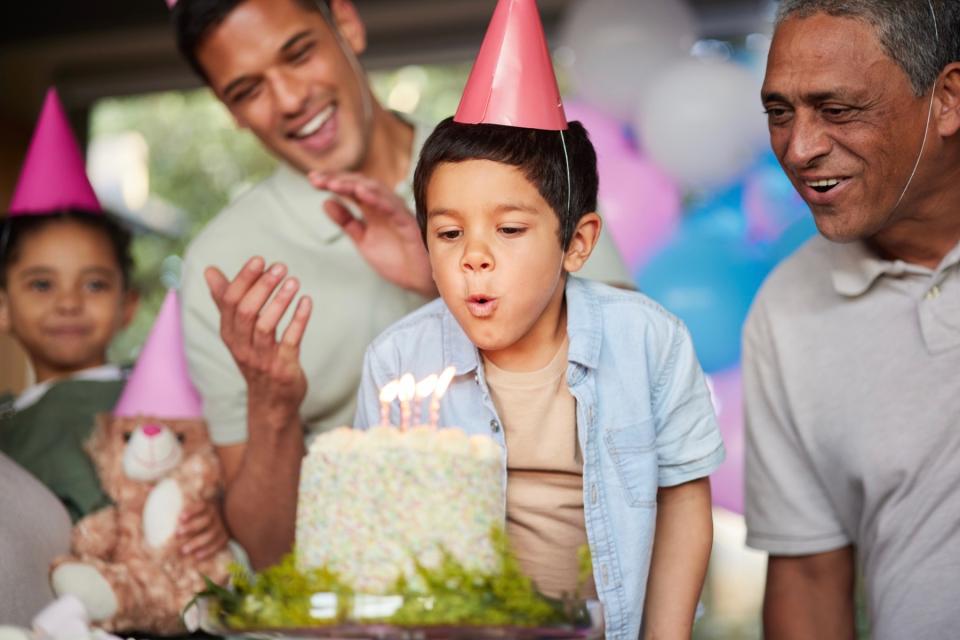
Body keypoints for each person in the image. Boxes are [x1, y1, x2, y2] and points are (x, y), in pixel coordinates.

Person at [207, 3, 724, 634]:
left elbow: (682, 503)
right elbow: (385, 541)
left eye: (508, 229)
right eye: (448, 233)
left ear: (578, 242)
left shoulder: (649, 339)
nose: (474, 256)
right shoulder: (398, 361)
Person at [171, 0, 631, 569]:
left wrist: (441, 281)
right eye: (248, 90)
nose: (289, 99)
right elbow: (268, 550)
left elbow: (632, 374)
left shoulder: (514, 162)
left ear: (347, 24)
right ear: (229, 111)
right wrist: (272, 406)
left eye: (298, 53)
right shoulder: (223, 262)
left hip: (547, 578)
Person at [744, 1, 960, 638]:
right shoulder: (786, 311)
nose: (801, 148)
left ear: (948, 98)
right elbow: (809, 580)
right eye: (779, 113)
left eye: (837, 110)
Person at [0, 89, 227, 561]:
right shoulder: (7, 416)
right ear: (3, 308)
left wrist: (209, 520)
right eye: (42, 285)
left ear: (128, 306)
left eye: (95, 285)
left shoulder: (147, 409)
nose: (68, 303)